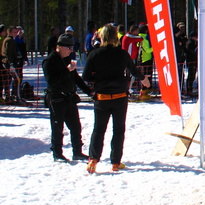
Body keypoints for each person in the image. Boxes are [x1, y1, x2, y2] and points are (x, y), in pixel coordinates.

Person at [82, 24, 150, 173]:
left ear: (101, 37)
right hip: (120, 96)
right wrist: (144, 79)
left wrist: (98, 79)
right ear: (116, 37)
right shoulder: (122, 54)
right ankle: (115, 162)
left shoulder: (94, 54)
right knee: (118, 130)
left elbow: (86, 76)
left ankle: (93, 160)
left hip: (102, 97)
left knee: (98, 129)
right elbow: (133, 70)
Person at [42, 33, 92, 161]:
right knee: (57, 127)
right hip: (56, 98)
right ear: (59, 47)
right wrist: (67, 70)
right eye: (69, 48)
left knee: (76, 127)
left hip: (69, 97)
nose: (71, 50)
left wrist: (89, 92)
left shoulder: (68, 60)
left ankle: (77, 152)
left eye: (72, 48)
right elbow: (52, 82)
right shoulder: (49, 61)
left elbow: (76, 79)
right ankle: (57, 153)